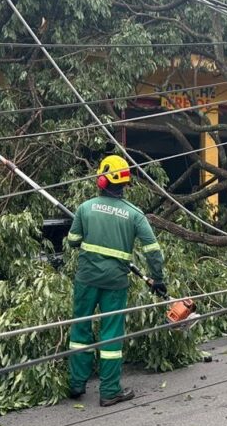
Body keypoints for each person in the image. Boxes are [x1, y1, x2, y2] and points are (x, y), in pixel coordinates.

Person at [66, 155, 166, 407]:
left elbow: (72, 241)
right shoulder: (135, 214)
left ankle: (76, 384)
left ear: (101, 179)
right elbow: (152, 249)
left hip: (86, 279)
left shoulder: (85, 208)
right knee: (111, 335)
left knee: (80, 329)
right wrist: (158, 279)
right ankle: (109, 391)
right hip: (115, 282)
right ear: (125, 182)